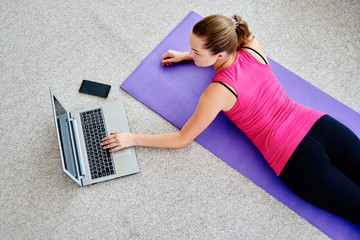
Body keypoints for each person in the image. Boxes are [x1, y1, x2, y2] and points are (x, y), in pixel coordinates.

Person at [101, 14, 360, 225]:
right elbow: (225, 53)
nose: (191, 52)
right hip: (322, 126)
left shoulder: (218, 91)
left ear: (220, 55)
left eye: (196, 50)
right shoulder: (252, 46)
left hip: (296, 159)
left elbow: (182, 139)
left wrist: (131, 138)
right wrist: (186, 55)